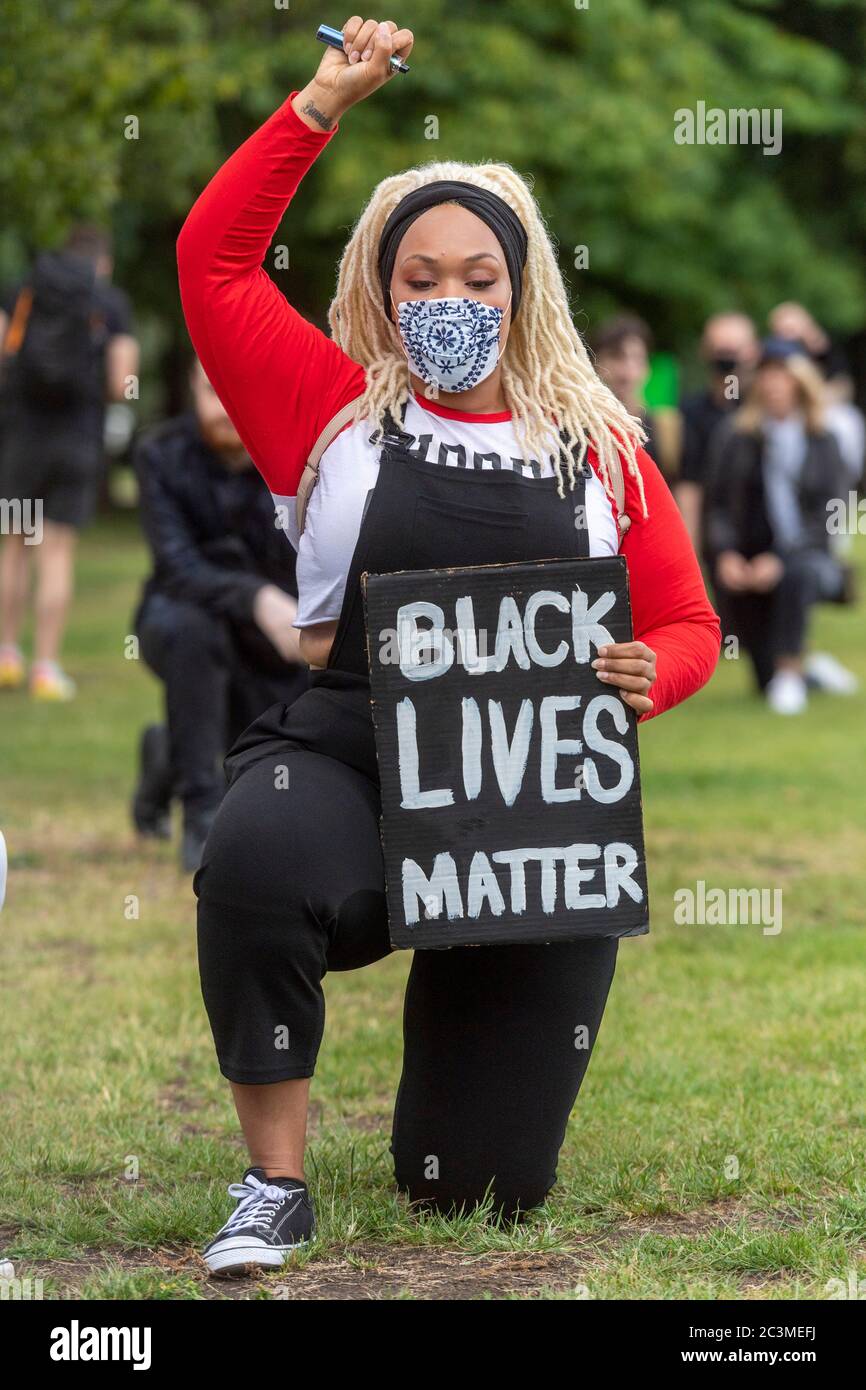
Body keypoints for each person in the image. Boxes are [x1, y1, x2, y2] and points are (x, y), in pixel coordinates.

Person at [177, 17, 721, 1275]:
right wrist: (322, 99)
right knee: (253, 851)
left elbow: (687, 623)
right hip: (351, 759)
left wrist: (660, 674)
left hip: (527, 804)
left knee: (473, 1190)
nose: (448, 301)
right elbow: (212, 264)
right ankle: (272, 1183)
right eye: (416, 278)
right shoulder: (326, 417)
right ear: (378, 288)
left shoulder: (597, 451)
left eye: (478, 277)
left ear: (522, 287)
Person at [132, 358, 309, 872]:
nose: (226, 406)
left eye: (238, 389)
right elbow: (178, 567)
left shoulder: (295, 457)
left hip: (273, 635)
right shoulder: (158, 454)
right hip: (179, 617)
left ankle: (168, 753)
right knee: (195, 632)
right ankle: (201, 813)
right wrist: (255, 597)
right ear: (192, 386)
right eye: (213, 389)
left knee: (262, 753)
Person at [0, 225, 139, 699]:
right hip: (76, 439)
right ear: (104, 262)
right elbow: (122, 384)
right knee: (55, 550)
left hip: (21, 438)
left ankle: (5, 656)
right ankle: (45, 667)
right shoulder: (109, 303)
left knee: (14, 544)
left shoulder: (26, 288)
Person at [703, 344, 849, 714]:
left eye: (782, 374)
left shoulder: (823, 440)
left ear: (800, 381)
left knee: (797, 573)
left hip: (811, 560)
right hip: (754, 560)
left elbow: (830, 516)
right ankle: (803, 671)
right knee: (764, 681)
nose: (773, 384)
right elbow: (717, 505)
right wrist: (726, 554)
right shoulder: (737, 437)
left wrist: (782, 558)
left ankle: (791, 669)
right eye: (767, 374)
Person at [676, 312, 760, 553]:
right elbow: (689, 485)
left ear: (753, 351)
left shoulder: (766, 411)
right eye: (720, 350)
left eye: (735, 350)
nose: (727, 360)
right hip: (714, 541)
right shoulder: (690, 412)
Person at [589, 315, 681, 479]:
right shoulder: (579, 427)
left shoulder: (668, 429)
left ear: (648, 368)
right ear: (596, 363)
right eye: (616, 357)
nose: (627, 371)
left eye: (637, 359)